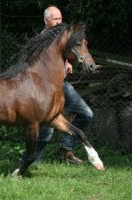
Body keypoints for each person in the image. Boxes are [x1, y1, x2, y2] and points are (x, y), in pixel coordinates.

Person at [22, 5, 93, 165]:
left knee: (87, 114)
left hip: (63, 86)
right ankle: (29, 164)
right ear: (46, 21)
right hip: (45, 91)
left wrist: (68, 62)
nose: (59, 22)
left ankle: (65, 147)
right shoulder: (40, 41)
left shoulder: (64, 36)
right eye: (55, 19)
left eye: (60, 18)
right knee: (46, 131)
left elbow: (71, 52)